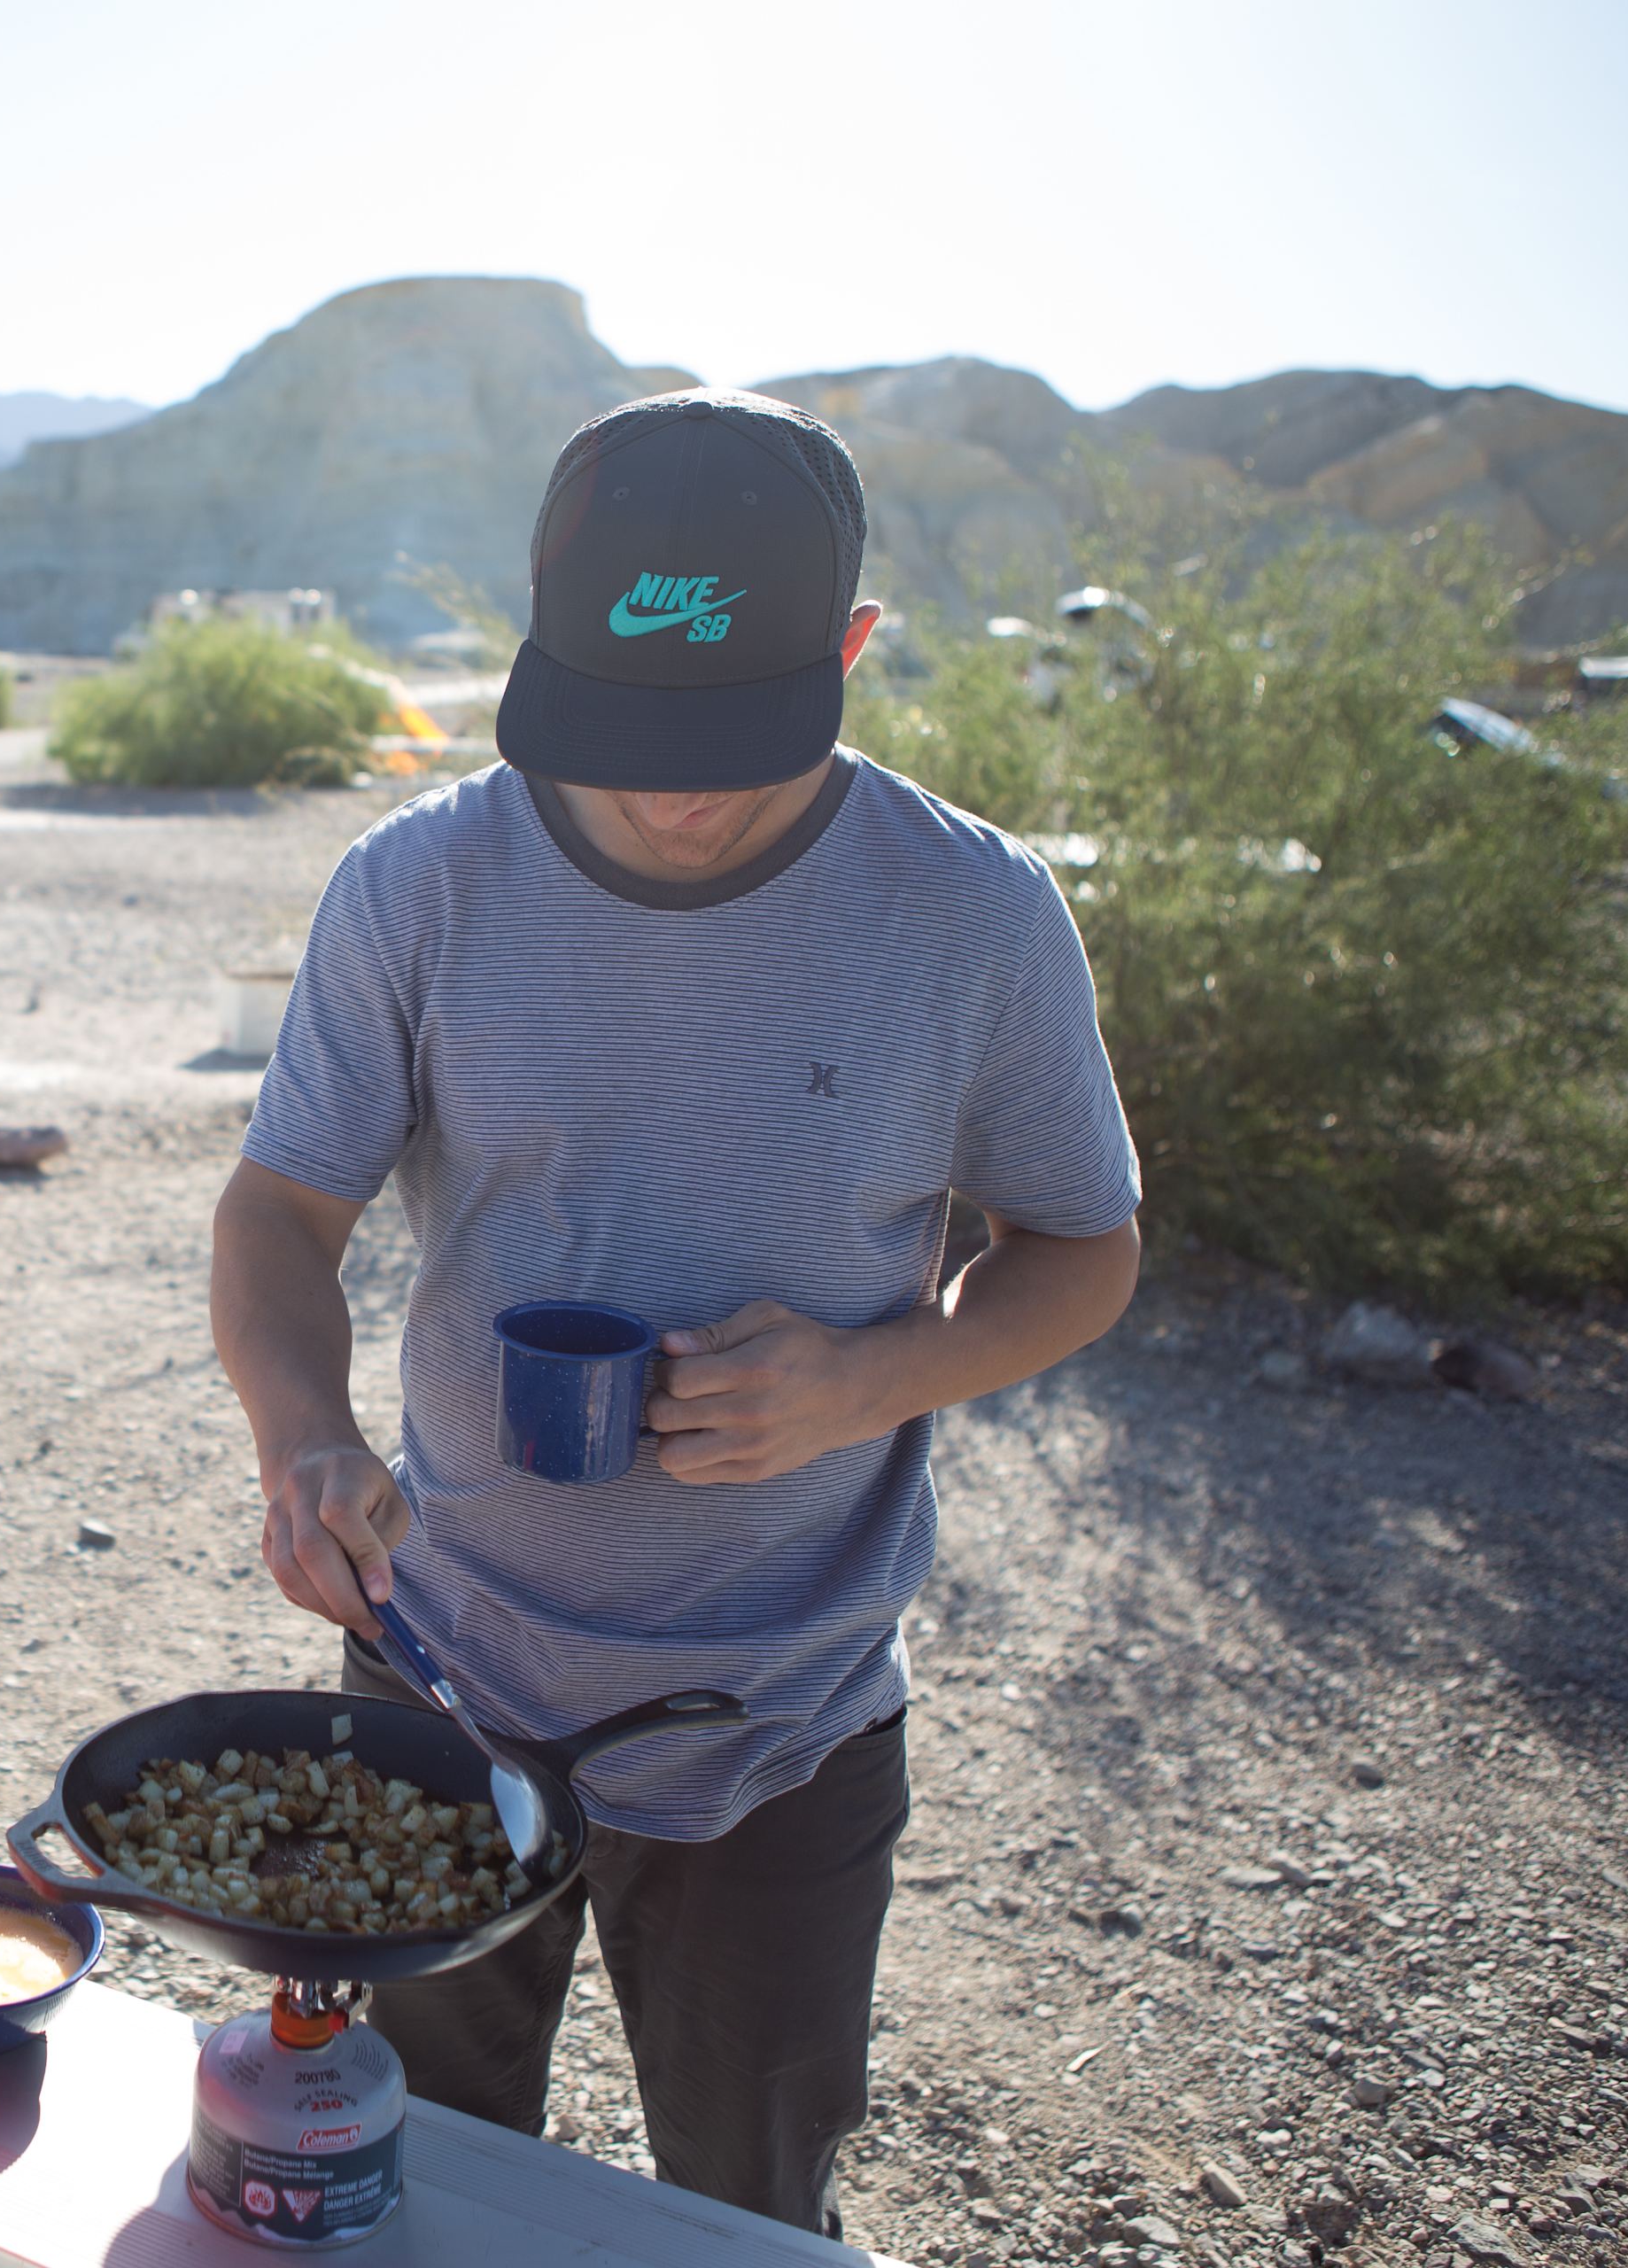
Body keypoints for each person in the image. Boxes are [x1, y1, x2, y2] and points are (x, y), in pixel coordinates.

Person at [208, 389, 1143, 2241]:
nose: (677, 789)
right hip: (444, 1666)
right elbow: (278, 1211)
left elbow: (1083, 1248)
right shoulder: (422, 881)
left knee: (749, 2201)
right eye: (628, 729)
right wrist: (303, 1435)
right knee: (423, 2175)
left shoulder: (973, 913)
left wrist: (867, 1378)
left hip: (784, 1711)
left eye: (736, 732)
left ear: (856, 650)